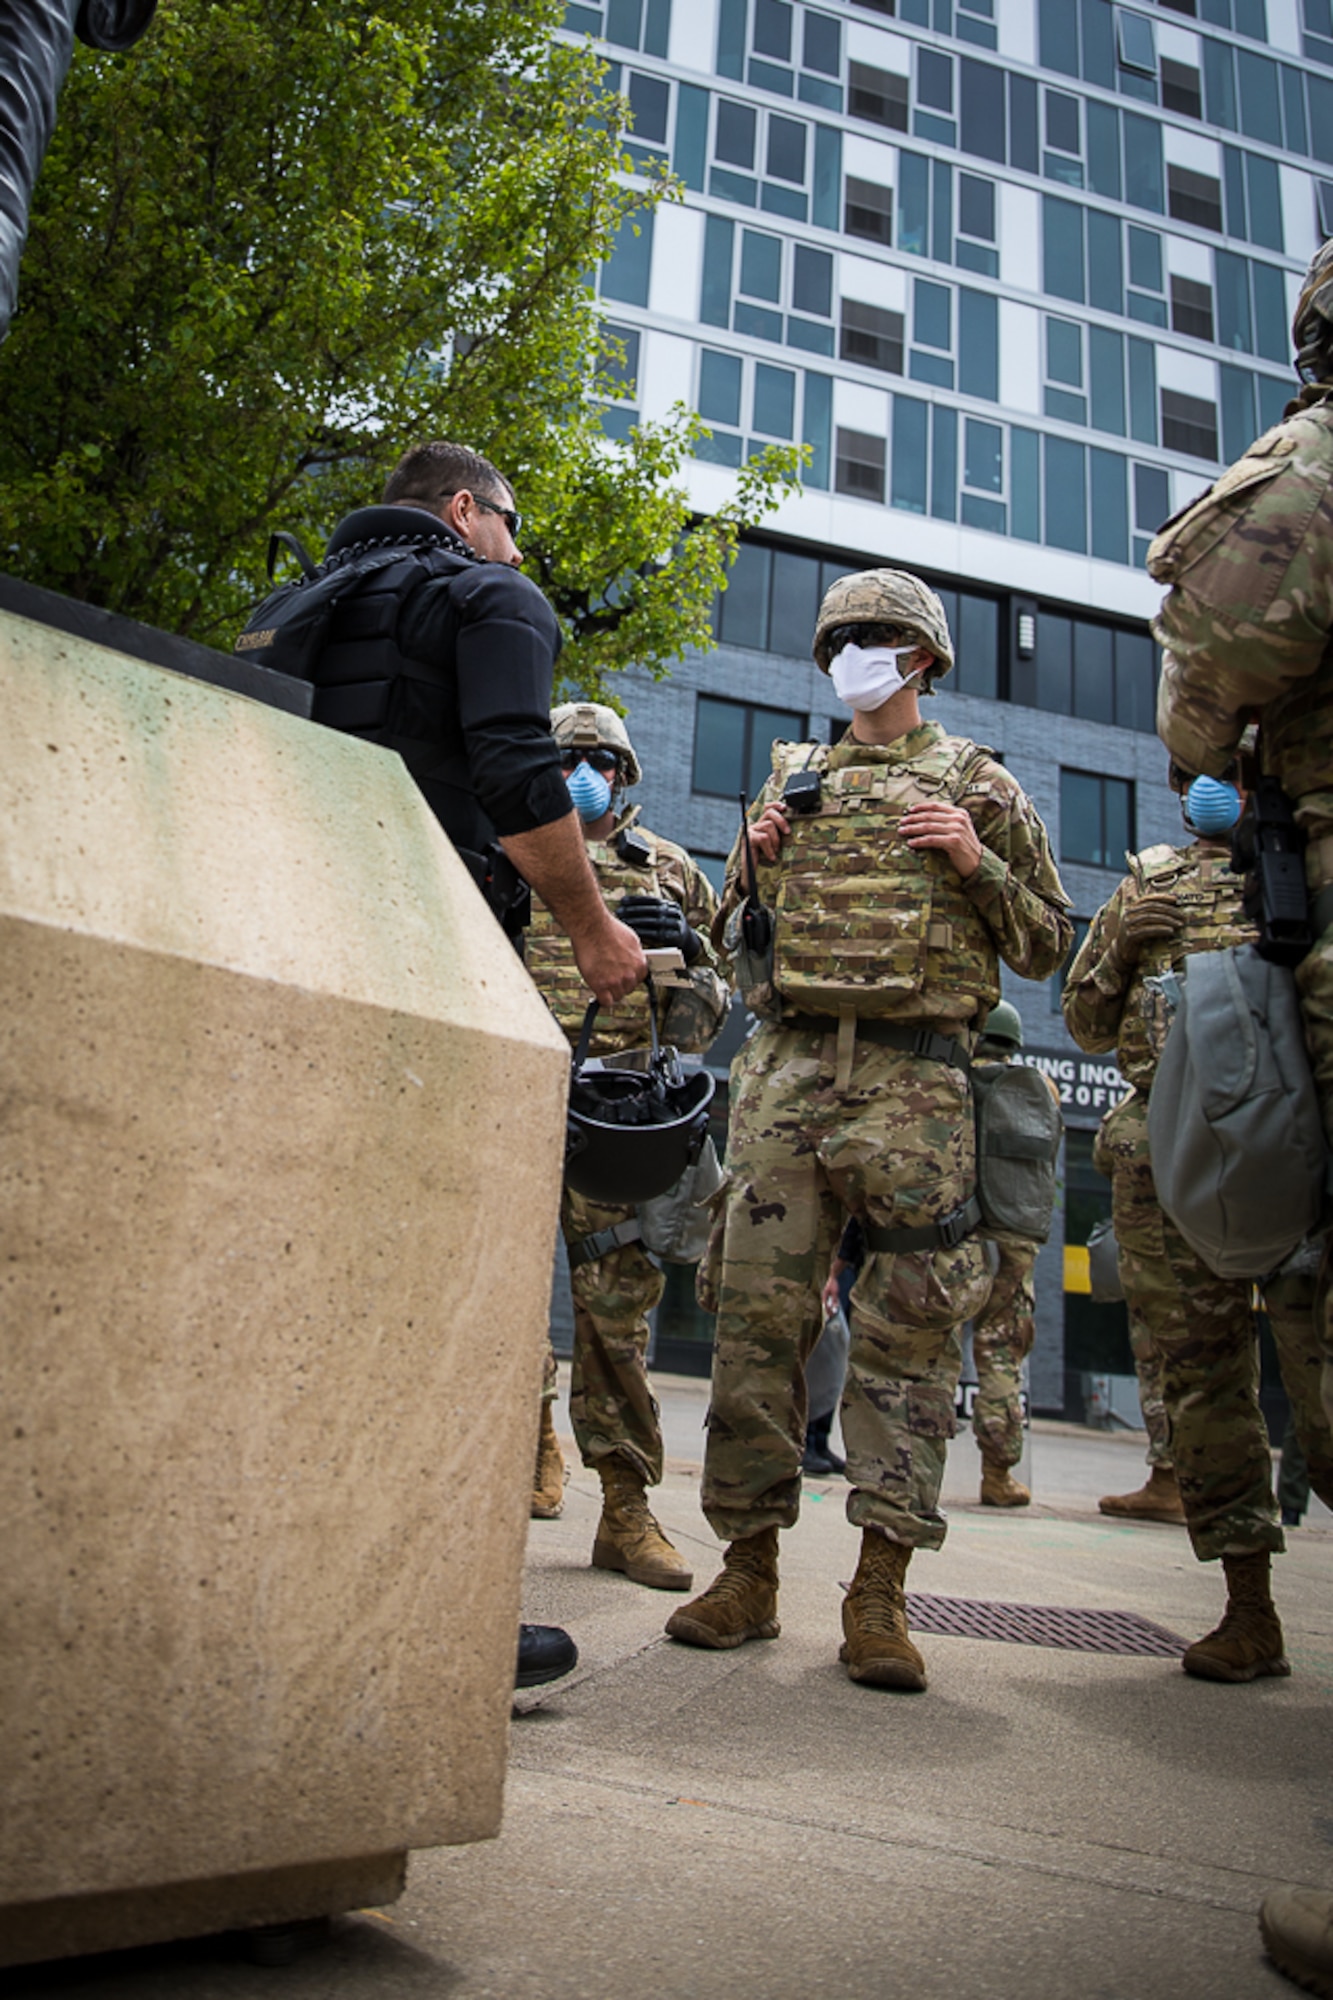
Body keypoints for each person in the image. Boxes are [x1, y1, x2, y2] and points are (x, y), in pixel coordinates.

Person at [244, 440, 647, 1690]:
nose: (521, 549)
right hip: (421, 966)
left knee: (295, 1301)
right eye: (513, 521)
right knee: (434, 1304)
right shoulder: (486, 595)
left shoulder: (288, 607)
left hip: (285, 965)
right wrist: (594, 927)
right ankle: (436, 1623)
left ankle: (264, 1587)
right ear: (467, 510)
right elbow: (519, 774)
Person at [664, 567, 1072, 1691]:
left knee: (910, 1336)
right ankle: (746, 1570)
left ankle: (879, 1590)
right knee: (755, 1321)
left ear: (925, 656)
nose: (859, 651)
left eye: (883, 635)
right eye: (844, 635)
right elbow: (725, 930)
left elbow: (1045, 946)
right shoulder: (793, 777)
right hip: (788, 1069)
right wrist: (752, 861)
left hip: (917, 1084)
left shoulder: (976, 781)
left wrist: (972, 858)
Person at [1063, 764, 1333, 1678]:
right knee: (1203, 1385)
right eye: (1196, 775)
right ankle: (1248, 1611)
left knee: (1318, 1384)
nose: (1212, 787)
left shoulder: (1312, 865)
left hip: (1297, 1144)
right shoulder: (1149, 882)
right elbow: (1085, 1023)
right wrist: (1116, 946)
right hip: (1168, 1149)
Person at [525, 701, 728, 1590]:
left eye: (601, 758)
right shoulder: (511, 847)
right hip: (517, 1103)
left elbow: (711, 1014)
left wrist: (679, 963)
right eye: (567, 756)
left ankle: (625, 1509)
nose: (585, 772)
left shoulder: (671, 871)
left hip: (617, 1121)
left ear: (626, 773)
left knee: (616, 1323)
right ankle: (530, 1443)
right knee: (501, 1305)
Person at [1088, 1093, 1187, 1527]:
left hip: (1154, 1264)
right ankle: (1216, 1486)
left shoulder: (1139, 1110)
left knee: (1156, 1362)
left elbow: (1102, 1156)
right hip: (1211, 1256)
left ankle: (1169, 1482)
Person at [966, 999, 1051, 1508]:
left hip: (962, 1230)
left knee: (928, 1349)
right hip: (1018, 1237)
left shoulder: (957, 1080)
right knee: (1000, 1354)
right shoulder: (1044, 1090)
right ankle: (997, 1476)